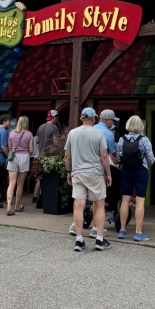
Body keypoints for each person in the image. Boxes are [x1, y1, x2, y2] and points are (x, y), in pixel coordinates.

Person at [65, 108, 111, 252]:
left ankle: (79, 240)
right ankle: (99, 238)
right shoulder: (99, 133)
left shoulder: (72, 133)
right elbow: (104, 156)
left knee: (78, 205)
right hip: (95, 173)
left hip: (78, 172)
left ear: (81, 118)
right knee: (99, 204)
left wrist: (68, 171)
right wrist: (108, 173)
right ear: (93, 119)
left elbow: (67, 155)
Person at [116, 115, 155, 242]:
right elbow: (151, 159)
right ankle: (138, 232)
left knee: (125, 200)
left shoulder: (122, 139)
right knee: (140, 201)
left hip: (126, 171)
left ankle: (122, 230)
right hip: (140, 171)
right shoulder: (144, 140)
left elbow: (118, 158)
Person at [6, 116, 33, 214]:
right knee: (20, 183)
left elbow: (10, 148)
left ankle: (8, 206)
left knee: (11, 183)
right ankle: (17, 206)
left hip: (13, 157)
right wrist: (26, 155)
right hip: (24, 157)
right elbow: (31, 150)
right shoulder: (29, 134)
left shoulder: (11, 133)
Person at [33, 110, 59, 202]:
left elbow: (36, 140)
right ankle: (41, 198)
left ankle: (35, 196)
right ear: (54, 117)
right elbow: (56, 142)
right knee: (46, 178)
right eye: (56, 117)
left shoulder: (40, 127)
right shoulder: (54, 128)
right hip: (48, 156)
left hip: (40, 155)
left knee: (40, 178)